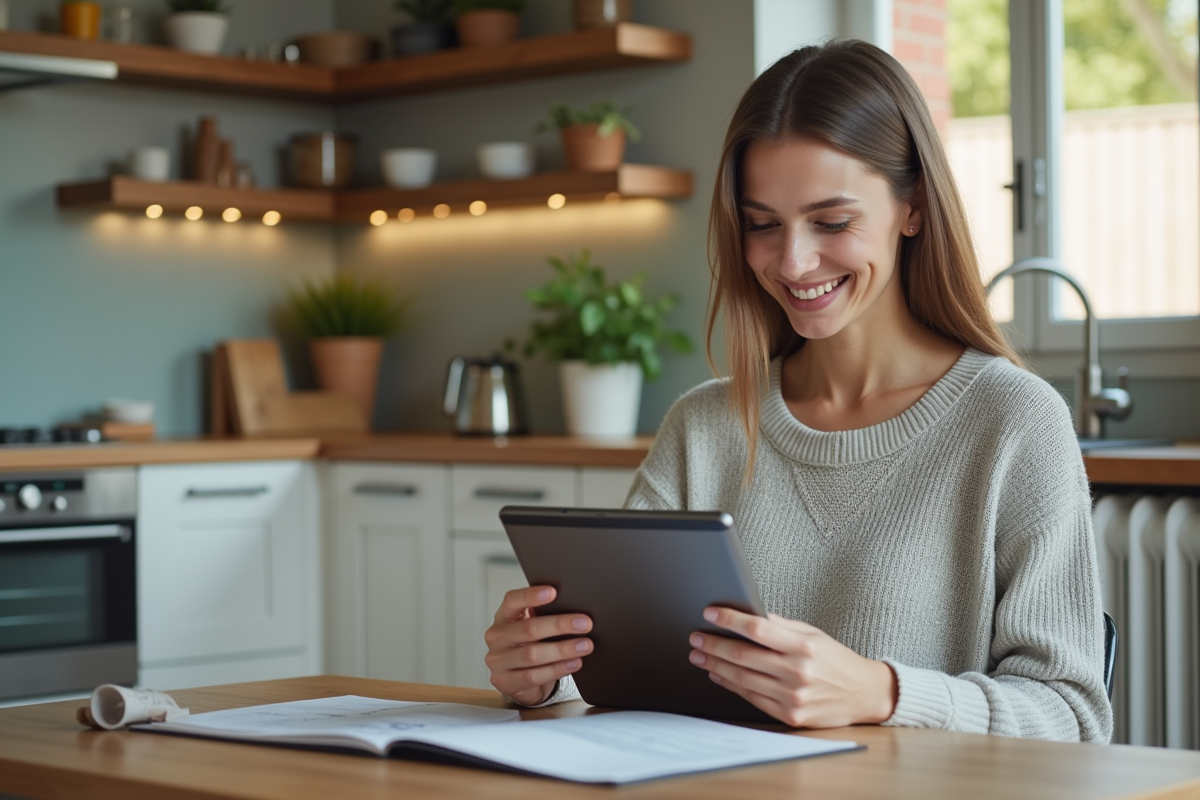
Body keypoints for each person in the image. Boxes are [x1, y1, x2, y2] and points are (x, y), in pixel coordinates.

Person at [483, 39, 1113, 743]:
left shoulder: (1014, 422)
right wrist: (544, 674)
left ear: (913, 208)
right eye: (762, 225)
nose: (793, 261)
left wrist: (882, 692)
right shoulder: (704, 427)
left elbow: (1073, 716)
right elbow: (625, 673)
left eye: (832, 221)